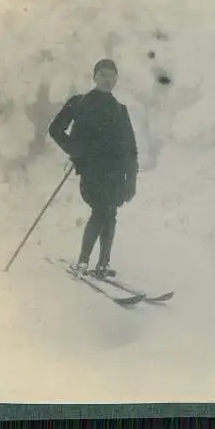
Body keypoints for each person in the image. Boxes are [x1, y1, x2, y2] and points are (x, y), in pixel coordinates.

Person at [48, 59, 139, 278]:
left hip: (115, 173)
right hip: (91, 170)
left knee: (110, 214)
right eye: (102, 74)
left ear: (116, 79)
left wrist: (131, 179)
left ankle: (103, 264)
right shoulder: (79, 102)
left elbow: (130, 148)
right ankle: (83, 262)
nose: (107, 80)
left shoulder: (120, 110)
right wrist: (74, 149)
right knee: (101, 211)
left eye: (111, 76)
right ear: (94, 77)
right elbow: (55, 129)